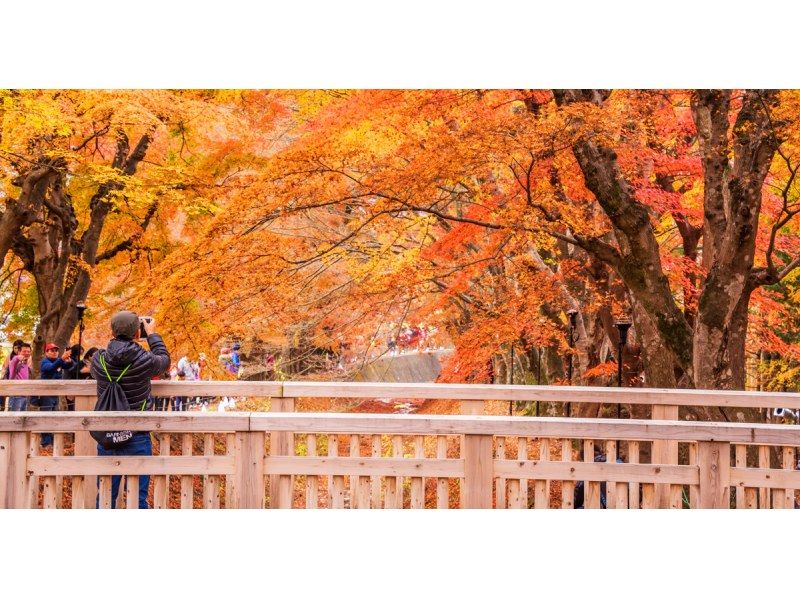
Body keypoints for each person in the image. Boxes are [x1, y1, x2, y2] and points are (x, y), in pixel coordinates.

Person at [90, 310, 170, 509]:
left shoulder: (99, 360)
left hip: (108, 434)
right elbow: (164, 361)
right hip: (138, 433)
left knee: (106, 494)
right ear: (137, 334)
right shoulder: (144, 360)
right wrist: (152, 334)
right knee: (137, 498)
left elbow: (93, 371)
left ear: (112, 331)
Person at [38, 343, 75, 446]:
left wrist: (69, 360)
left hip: (56, 394)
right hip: (46, 394)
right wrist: (61, 359)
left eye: (56, 350)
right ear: (46, 352)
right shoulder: (44, 362)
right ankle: (45, 442)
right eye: (52, 350)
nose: (55, 352)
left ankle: (52, 440)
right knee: (46, 417)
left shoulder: (58, 361)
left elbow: (72, 366)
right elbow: (51, 368)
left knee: (54, 416)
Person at [7, 343, 33, 410]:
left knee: (23, 419)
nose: (27, 353)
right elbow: (14, 360)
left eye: (28, 351)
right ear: (19, 352)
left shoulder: (26, 363)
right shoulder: (14, 362)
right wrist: (18, 357)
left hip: (25, 394)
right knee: (14, 418)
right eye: (24, 351)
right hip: (16, 394)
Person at [1, 339, 24, 410]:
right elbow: (4, 368)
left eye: (19, 348)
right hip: (9, 380)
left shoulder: (26, 357)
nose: (17, 350)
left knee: (18, 402)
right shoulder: (10, 357)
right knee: (6, 399)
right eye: (15, 348)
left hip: (20, 382)